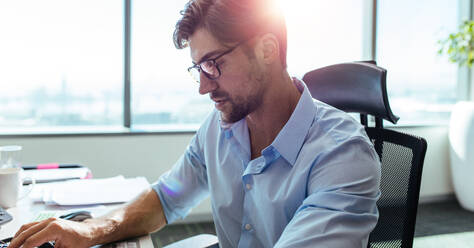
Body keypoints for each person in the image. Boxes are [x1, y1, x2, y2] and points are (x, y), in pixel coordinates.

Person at [9, 0, 381, 247]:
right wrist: (92, 228)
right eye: (197, 68)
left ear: (267, 50)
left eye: (213, 64)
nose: (203, 86)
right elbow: (165, 197)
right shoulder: (220, 130)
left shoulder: (343, 155)